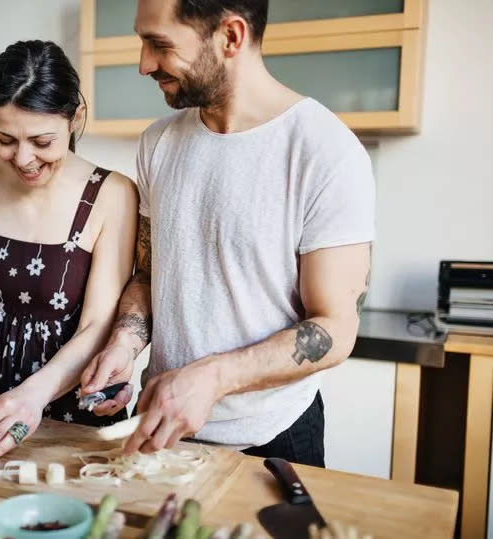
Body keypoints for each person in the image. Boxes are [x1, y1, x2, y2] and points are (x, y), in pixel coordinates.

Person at [80, 0, 374, 467]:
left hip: (273, 438)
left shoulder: (324, 151)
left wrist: (212, 378)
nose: (143, 64)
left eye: (159, 45)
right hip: (163, 424)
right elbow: (150, 274)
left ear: (231, 37)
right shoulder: (158, 142)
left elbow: (336, 328)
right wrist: (124, 344)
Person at [0, 40, 138, 466]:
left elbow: (98, 324)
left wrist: (34, 395)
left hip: (74, 404)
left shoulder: (111, 194)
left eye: (42, 141)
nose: (23, 159)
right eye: (5, 139)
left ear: (75, 118)